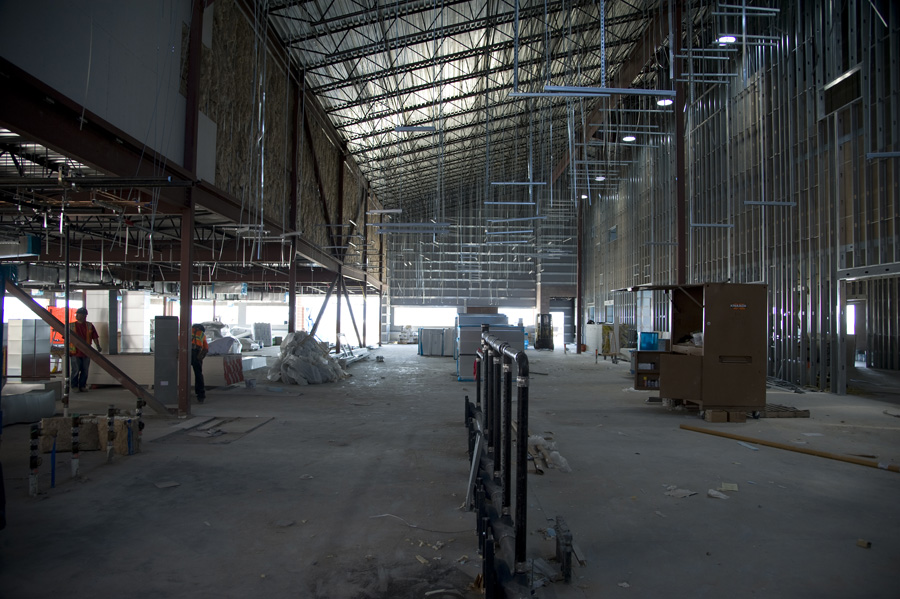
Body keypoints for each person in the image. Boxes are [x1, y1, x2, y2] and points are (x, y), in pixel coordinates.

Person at [69, 307, 102, 392]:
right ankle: (74, 386)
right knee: (75, 370)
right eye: (77, 314)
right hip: (75, 352)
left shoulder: (89, 325)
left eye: (78, 314)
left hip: (86, 352)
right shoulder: (71, 326)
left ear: (84, 315)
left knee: (85, 371)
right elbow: (66, 339)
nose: (77, 315)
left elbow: (94, 337)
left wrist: (98, 346)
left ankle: (82, 386)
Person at [191, 323, 209, 403]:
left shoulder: (186, 331)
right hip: (196, 353)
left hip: (185, 353)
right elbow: (206, 348)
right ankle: (200, 395)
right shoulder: (202, 335)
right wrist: (201, 356)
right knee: (198, 374)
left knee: (183, 374)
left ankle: (183, 392)